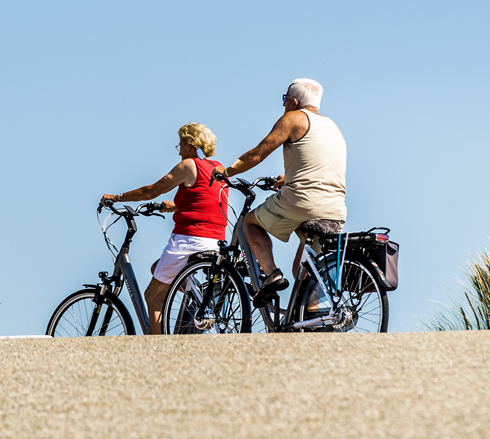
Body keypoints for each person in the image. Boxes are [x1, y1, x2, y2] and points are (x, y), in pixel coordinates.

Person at [212, 78, 347, 307]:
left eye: (285, 100)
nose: (283, 105)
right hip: (335, 208)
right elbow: (318, 165)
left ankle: (271, 274)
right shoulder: (332, 126)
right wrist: (287, 180)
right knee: (304, 273)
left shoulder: (293, 118)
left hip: (301, 202)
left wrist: (227, 171)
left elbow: (258, 154)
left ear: (293, 101)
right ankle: (310, 321)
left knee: (250, 223)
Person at [101, 123, 229, 334]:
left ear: (190, 145)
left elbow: (151, 191)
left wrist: (117, 197)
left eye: (180, 144)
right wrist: (176, 206)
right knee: (157, 269)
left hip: (189, 238)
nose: (178, 149)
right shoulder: (217, 166)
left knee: (153, 295)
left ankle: (158, 347)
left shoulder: (188, 165)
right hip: (215, 239)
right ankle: (197, 295)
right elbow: (205, 200)